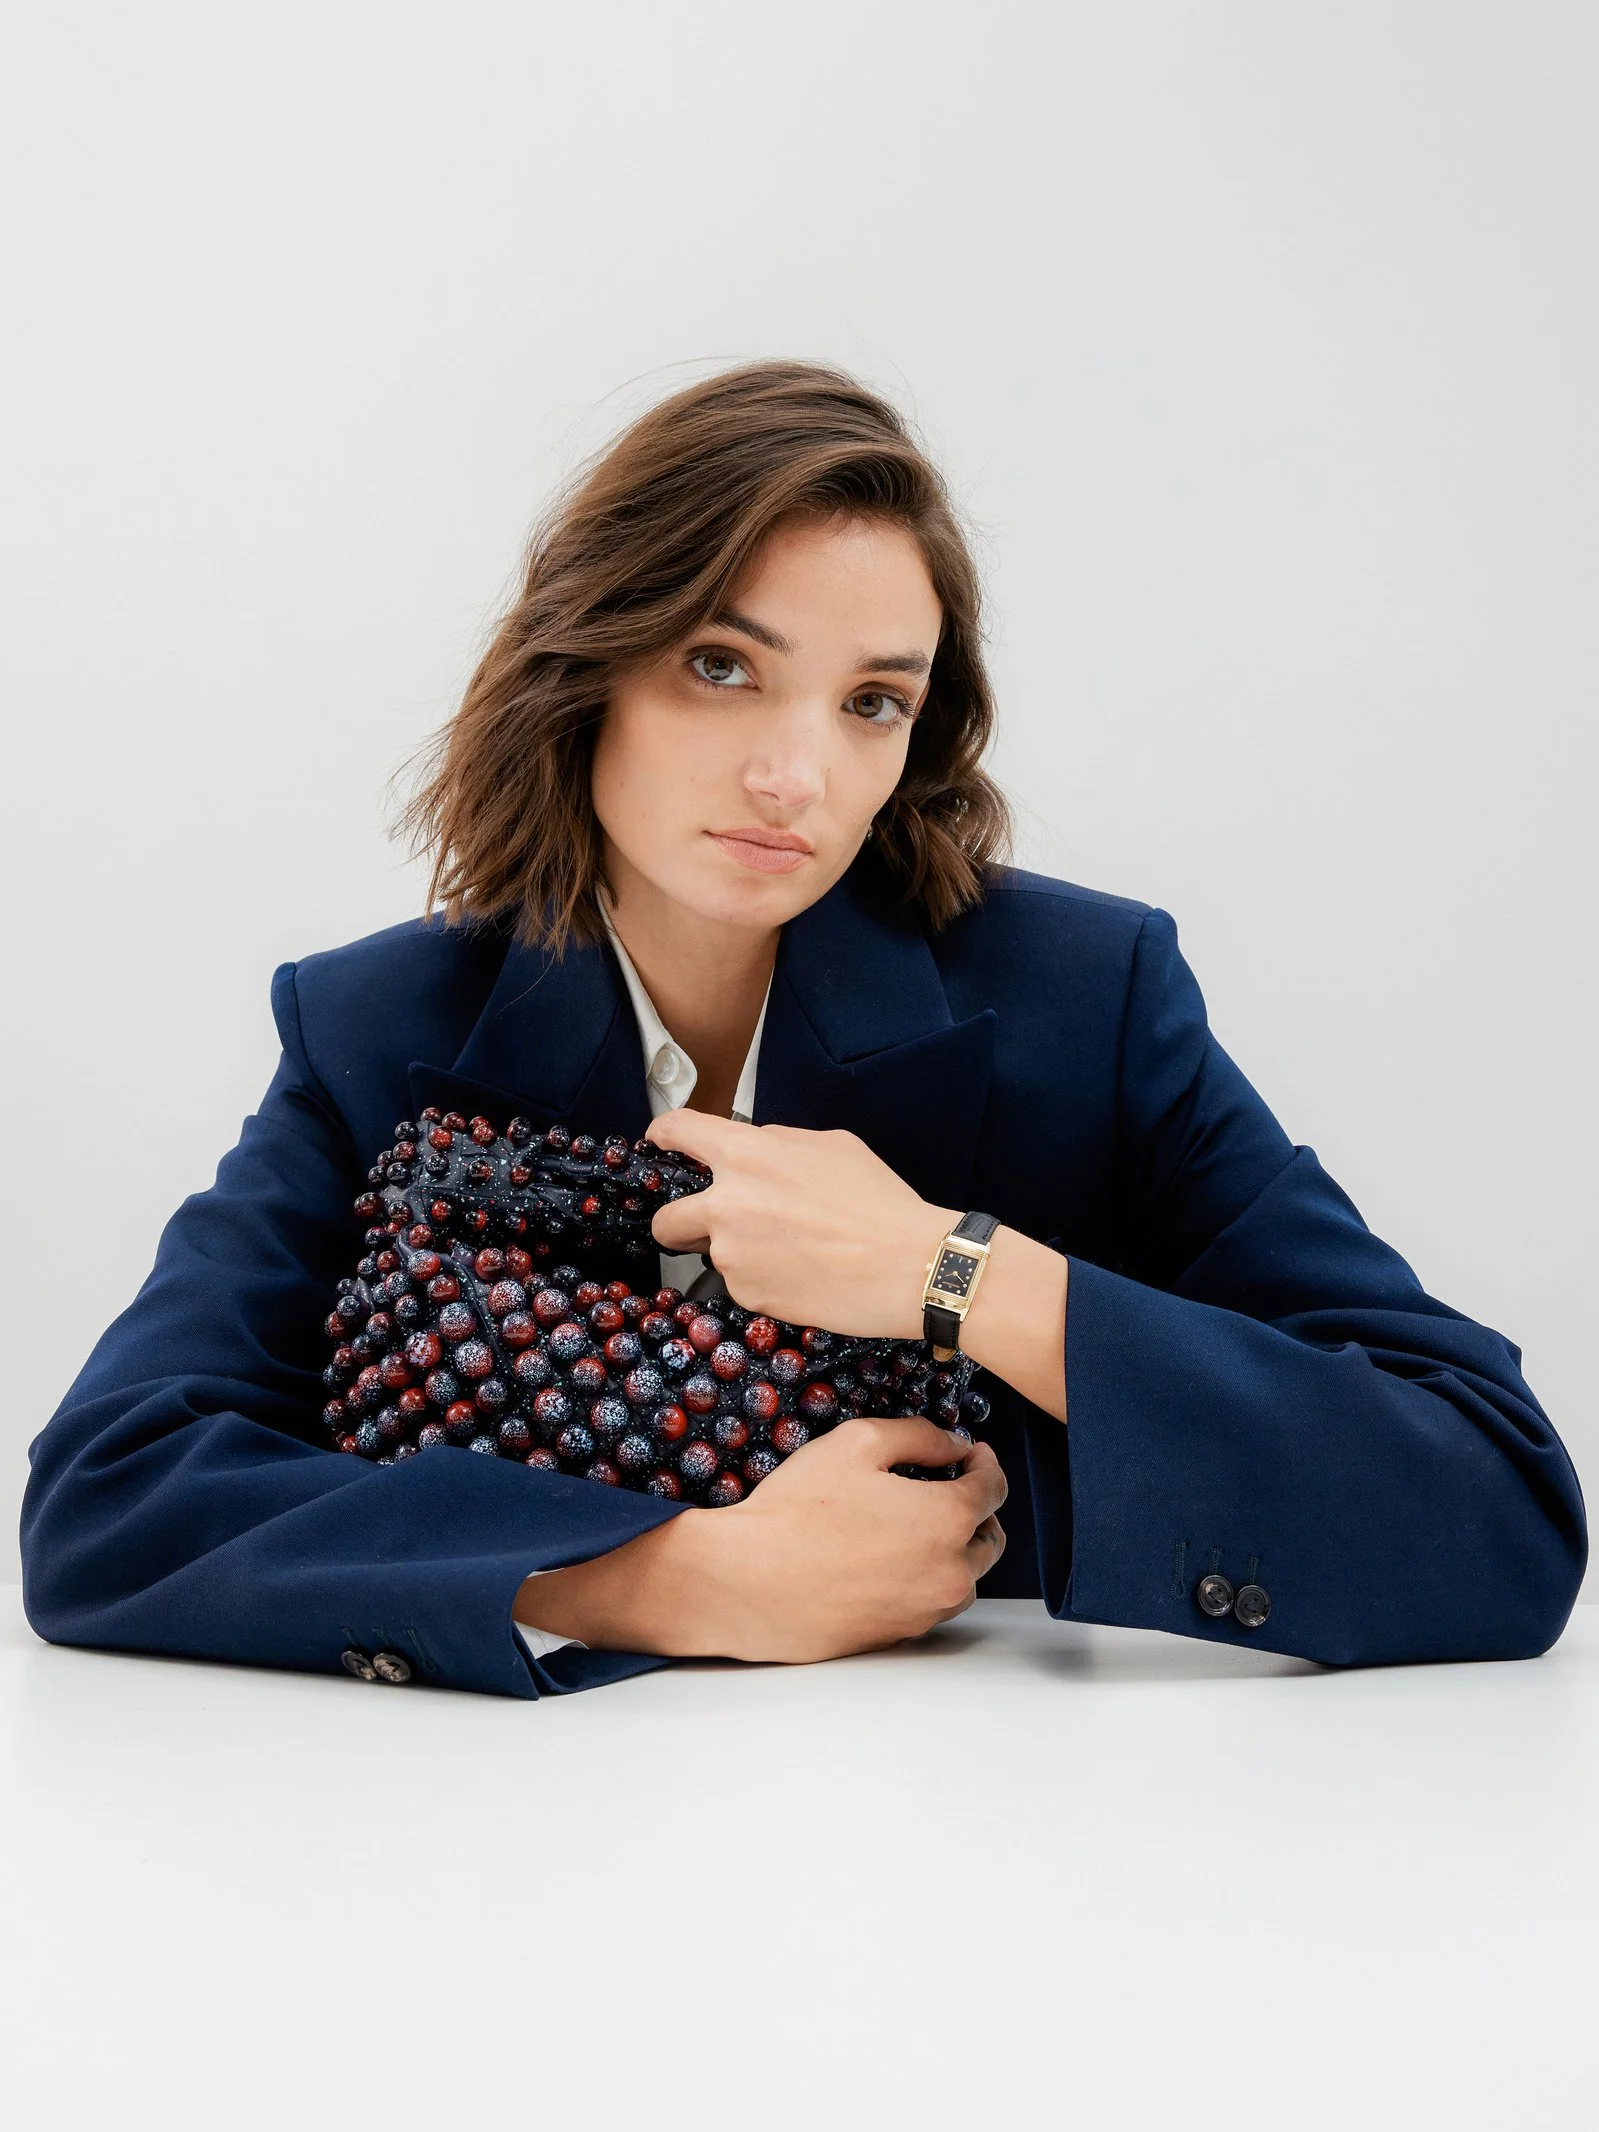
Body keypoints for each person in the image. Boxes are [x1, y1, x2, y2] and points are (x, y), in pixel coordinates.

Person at [19, 361, 1587, 1698]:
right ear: (587, 671)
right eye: (722, 667)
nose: (797, 775)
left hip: (1041, 1853)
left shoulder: (1084, 998)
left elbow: (1494, 1504)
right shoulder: (376, 1023)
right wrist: (665, 1583)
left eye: (870, 703)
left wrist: (954, 1272)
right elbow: (111, 1497)